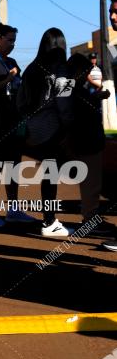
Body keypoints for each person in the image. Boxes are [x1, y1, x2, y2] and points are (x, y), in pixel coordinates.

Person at [16, 28, 75, 239]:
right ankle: (49, 221)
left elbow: (20, 102)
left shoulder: (31, 69)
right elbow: (65, 103)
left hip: (34, 130)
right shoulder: (62, 68)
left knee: (48, 173)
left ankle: (49, 219)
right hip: (54, 129)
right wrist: (68, 127)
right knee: (52, 175)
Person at [0, 23, 35, 228]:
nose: (13, 44)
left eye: (14, 40)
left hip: (16, 120)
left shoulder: (12, 61)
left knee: (13, 166)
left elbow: (18, 88)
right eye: (10, 40)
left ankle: (13, 210)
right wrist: (7, 79)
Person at [66, 54, 114, 239]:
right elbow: (81, 110)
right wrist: (97, 97)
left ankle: (90, 218)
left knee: (90, 184)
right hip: (87, 141)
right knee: (91, 185)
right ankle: (90, 221)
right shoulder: (75, 90)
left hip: (85, 140)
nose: (88, 72)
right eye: (86, 69)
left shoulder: (72, 88)